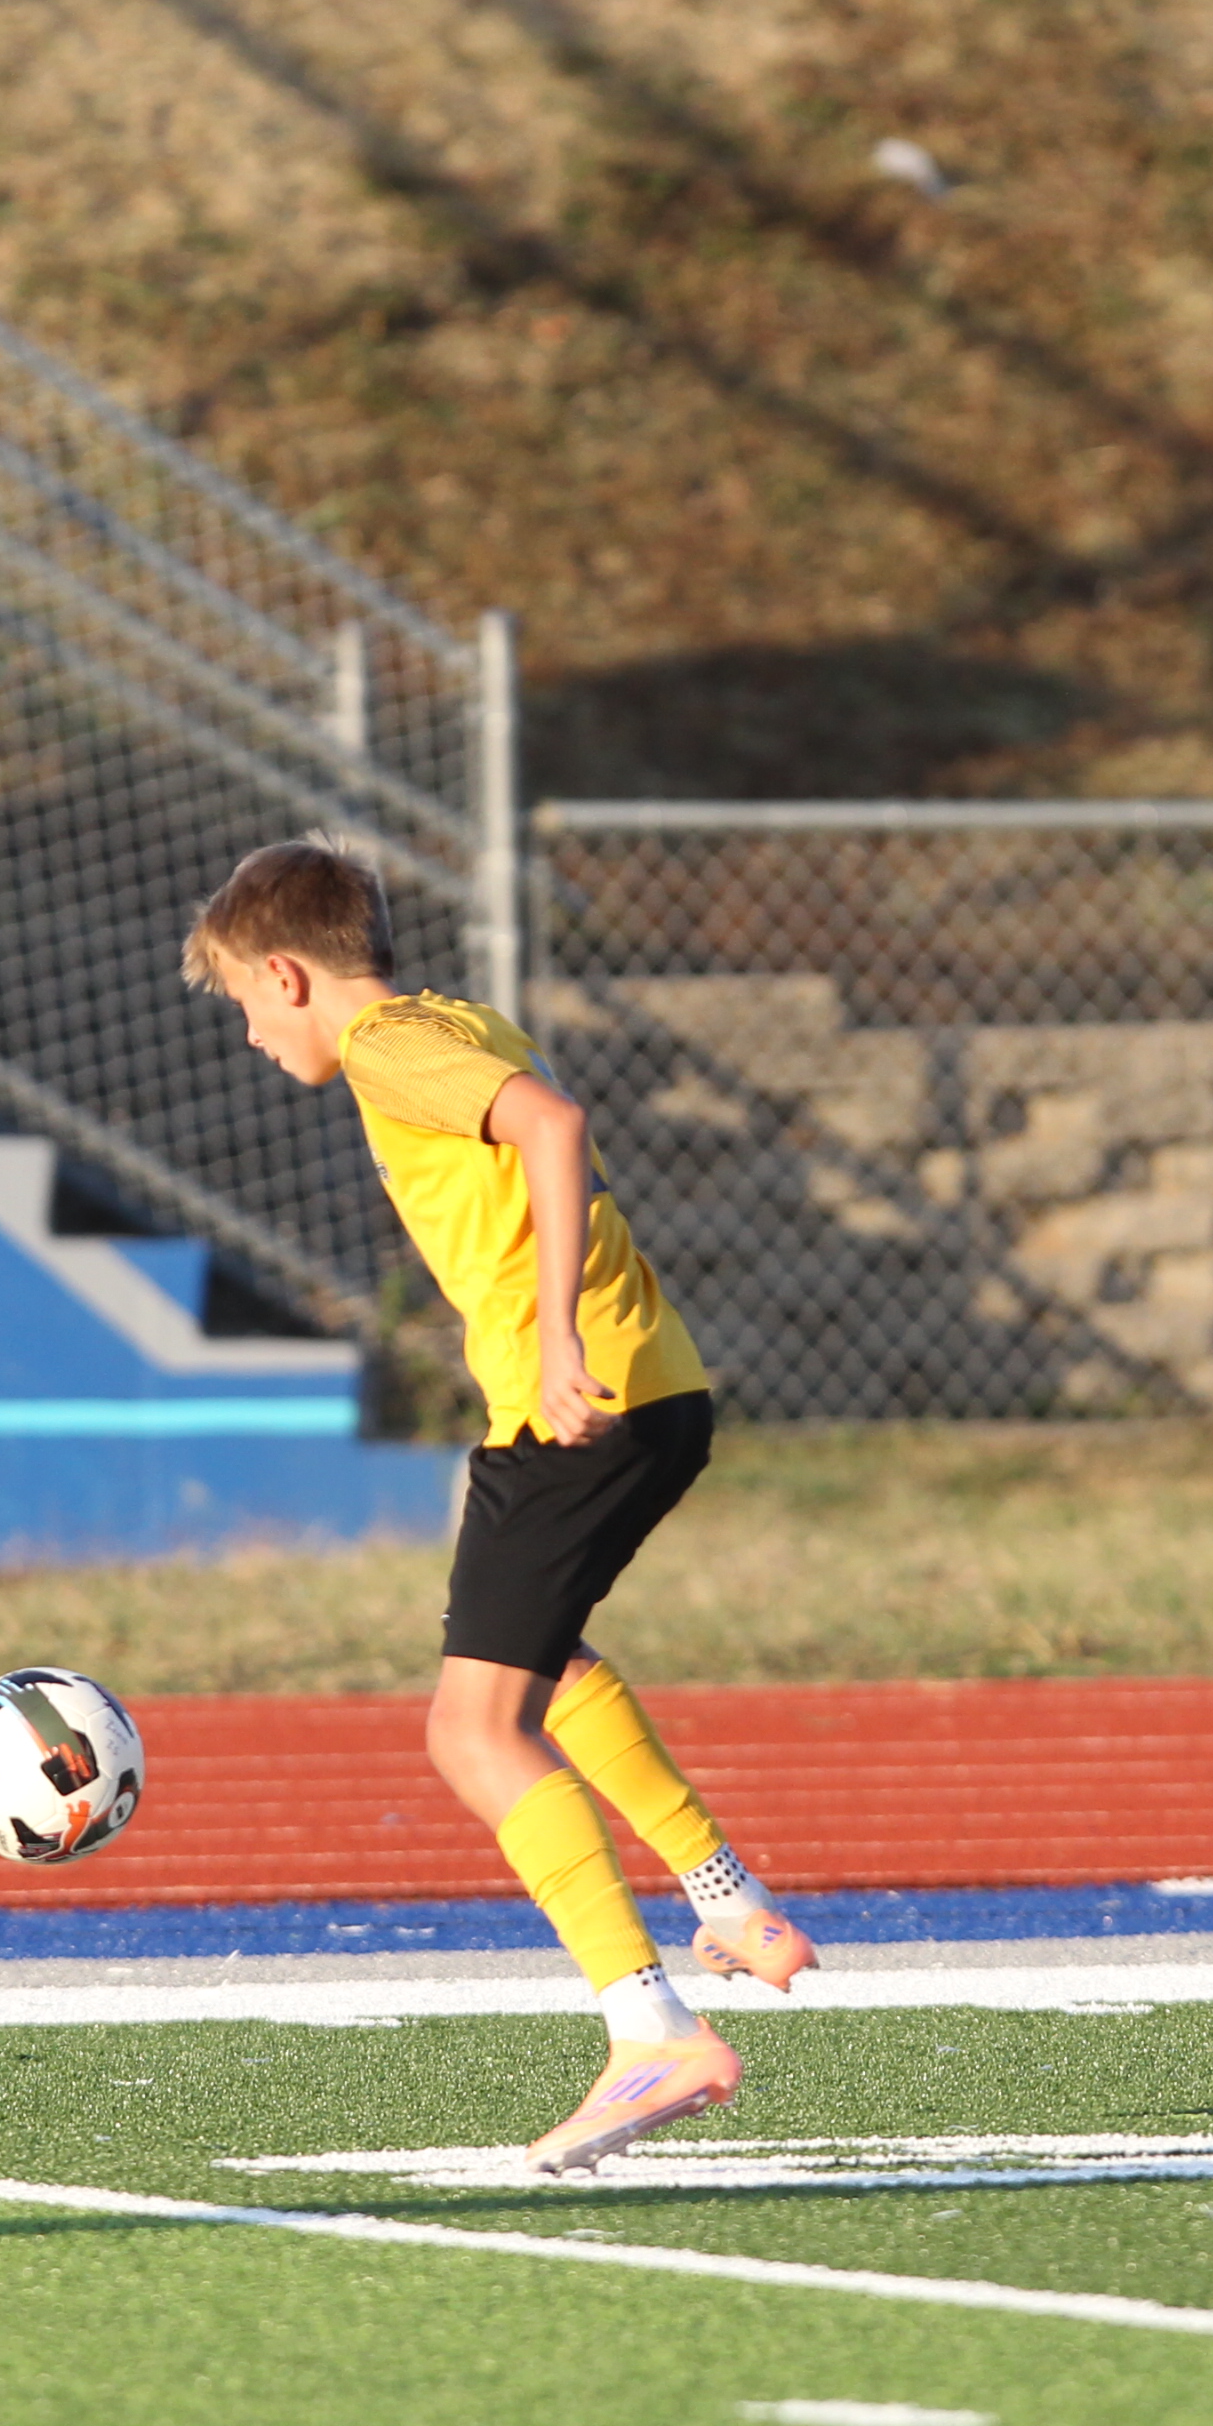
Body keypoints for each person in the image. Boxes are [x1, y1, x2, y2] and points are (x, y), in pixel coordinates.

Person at [184, 833, 816, 2175]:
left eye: (243, 1002)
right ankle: (731, 1902)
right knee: (544, 1666)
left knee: (471, 1733)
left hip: (574, 1407)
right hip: (654, 1391)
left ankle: (652, 2030)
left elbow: (552, 1126)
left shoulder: (386, 1048)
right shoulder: (451, 1019)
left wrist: (559, 1342)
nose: (251, 1034)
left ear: (286, 976)